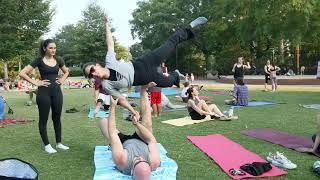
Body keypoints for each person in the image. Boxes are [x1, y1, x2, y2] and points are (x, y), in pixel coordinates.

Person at [83, 15, 207, 120]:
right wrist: (133, 111)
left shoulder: (109, 61)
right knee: (169, 82)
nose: (93, 74)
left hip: (145, 62)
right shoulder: (107, 85)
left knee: (170, 43)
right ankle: (175, 74)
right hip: (146, 78)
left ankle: (190, 26)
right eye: (90, 75)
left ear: (97, 65)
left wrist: (106, 25)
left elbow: (110, 43)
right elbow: (121, 99)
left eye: (92, 69)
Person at [99, 83, 160, 179]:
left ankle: (113, 145)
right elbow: (151, 139)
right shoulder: (154, 162)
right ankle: (143, 89)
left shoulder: (121, 161)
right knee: (148, 125)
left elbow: (113, 133)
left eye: (137, 161)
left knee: (103, 121)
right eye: (143, 161)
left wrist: (113, 107)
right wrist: (137, 124)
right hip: (141, 140)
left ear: (131, 171)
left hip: (124, 144)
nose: (140, 157)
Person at [19, 39, 70, 154]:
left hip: (57, 92)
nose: (53, 50)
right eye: (51, 48)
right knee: (44, 119)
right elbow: (22, 73)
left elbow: (66, 71)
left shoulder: (58, 59)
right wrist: (36, 83)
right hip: (43, 93)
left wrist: (62, 79)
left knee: (57, 118)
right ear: (44, 48)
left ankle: (59, 143)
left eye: (55, 48)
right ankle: (47, 145)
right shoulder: (38, 60)